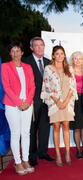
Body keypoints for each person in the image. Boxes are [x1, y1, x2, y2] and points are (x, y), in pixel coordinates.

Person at [1, 42, 35, 175]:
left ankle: (26, 160)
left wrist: (27, 101)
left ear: (22, 53)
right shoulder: (5, 67)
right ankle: (18, 162)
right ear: (10, 53)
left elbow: (32, 86)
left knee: (26, 133)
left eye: (18, 51)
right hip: (12, 105)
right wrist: (19, 102)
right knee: (15, 133)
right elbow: (6, 87)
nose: (15, 54)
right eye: (13, 51)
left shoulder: (28, 67)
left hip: (27, 104)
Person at [41, 46, 77, 166]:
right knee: (56, 127)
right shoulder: (48, 69)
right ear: (53, 56)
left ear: (64, 55)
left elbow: (73, 87)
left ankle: (67, 152)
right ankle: (57, 154)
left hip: (67, 102)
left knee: (66, 126)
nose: (60, 56)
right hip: (54, 103)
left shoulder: (69, 68)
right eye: (57, 54)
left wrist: (66, 101)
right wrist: (58, 102)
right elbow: (47, 87)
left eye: (62, 53)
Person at [22, 37, 54, 166]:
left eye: (41, 45)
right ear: (31, 48)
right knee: (31, 130)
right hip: (32, 102)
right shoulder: (25, 62)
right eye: (36, 45)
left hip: (47, 102)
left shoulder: (49, 62)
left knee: (45, 128)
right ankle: (32, 155)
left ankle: (43, 152)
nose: (40, 47)